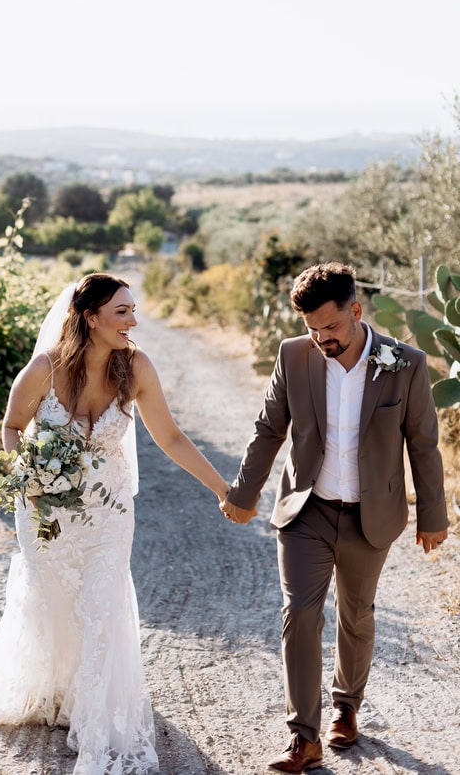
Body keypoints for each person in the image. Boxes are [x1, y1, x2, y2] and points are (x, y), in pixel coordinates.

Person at [0, 273, 229, 775]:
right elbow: (12, 427)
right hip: (46, 508)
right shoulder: (44, 368)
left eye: (133, 310)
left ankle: (99, 716)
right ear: (90, 317)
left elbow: (171, 437)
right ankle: (58, 687)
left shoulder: (137, 366)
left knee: (102, 602)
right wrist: (30, 476)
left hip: (108, 510)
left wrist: (223, 489)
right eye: (122, 312)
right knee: (54, 594)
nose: (133, 321)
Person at [220, 262, 449, 774]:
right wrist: (243, 492)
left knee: (357, 614)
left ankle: (346, 706)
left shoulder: (405, 363)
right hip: (308, 510)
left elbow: (423, 444)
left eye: (331, 326)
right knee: (300, 614)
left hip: (372, 515)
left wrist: (432, 515)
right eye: (312, 329)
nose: (322, 338)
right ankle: (303, 737)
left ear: (357, 311)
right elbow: (269, 428)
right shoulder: (293, 356)